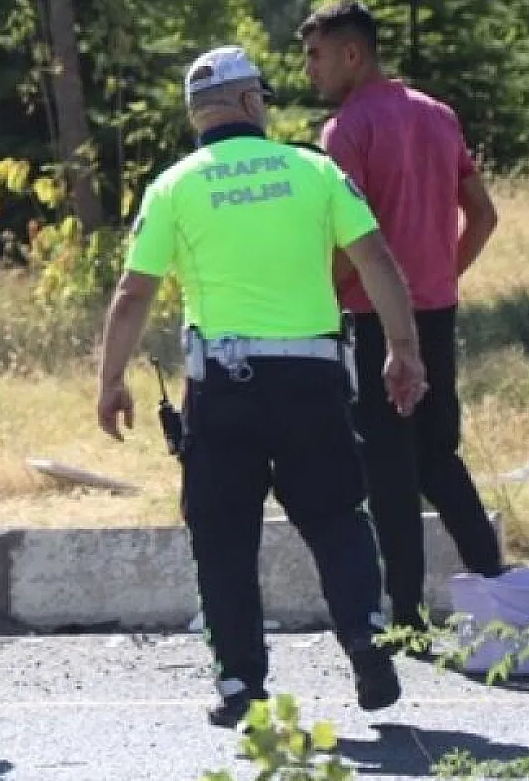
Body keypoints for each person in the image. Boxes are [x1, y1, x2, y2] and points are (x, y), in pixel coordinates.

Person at [95, 45, 424, 728]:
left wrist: (111, 381)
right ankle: (366, 637)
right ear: (250, 103)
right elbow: (377, 260)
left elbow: (133, 294)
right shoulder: (315, 170)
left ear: (198, 116)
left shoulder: (175, 186)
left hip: (224, 386)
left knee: (222, 533)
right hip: (313, 379)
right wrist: (403, 350)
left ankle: (240, 684)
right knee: (335, 515)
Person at [300, 0, 505, 631]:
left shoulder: (345, 131)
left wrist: (321, 299)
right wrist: (442, 276)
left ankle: (407, 618)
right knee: (440, 456)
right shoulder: (438, 116)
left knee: (387, 467)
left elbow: (347, 242)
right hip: (436, 315)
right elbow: (485, 215)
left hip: (372, 322)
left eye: (316, 55)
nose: (309, 70)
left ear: (352, 54)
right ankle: (499, 592)